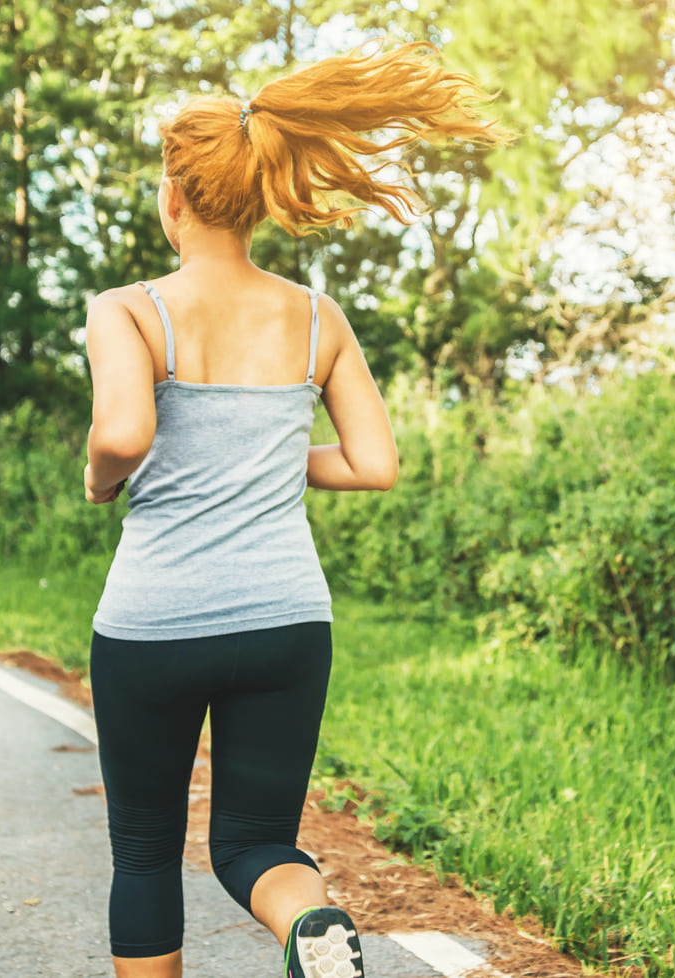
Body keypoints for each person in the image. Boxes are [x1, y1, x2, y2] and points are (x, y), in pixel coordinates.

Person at [80, 43, 504, 978]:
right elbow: (373, 463)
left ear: (174, 199)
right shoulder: (317, 318)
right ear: (261, 196)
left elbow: (121, 431)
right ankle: (314, 929)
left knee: (147, 851)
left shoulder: (128, 311)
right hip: (284, 621)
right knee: (253, 841)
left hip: (155, 623)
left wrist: (99, 476)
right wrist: (264, 460)